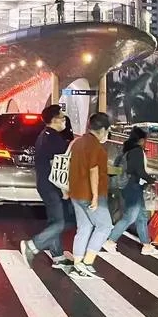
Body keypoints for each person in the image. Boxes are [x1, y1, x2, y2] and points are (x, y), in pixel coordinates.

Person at [21, 105, 74, 270]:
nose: (64, 120)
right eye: (62, 117)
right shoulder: (52, 138)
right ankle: (33, 245)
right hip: (53, 186)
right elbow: (57, 166)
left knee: (55, 221)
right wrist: (65, 189)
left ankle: (57, 256)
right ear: (54, 119)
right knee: (64, 221)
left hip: (46, 184)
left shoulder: (46, 135)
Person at [67, 112, 114, 279]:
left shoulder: (78, 142)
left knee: (85, 228)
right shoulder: (94, 146)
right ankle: (87, 263)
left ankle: (77, 265)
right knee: (105, 226)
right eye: (107, 130)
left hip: (76, 192)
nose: (107, 134)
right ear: (102, 130)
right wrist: (95, 196)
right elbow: (93, 170)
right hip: (90, 194)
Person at [103, 126, 158, 256]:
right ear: (141, 140)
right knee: (130, 216)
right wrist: (151, 180)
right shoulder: (137, 151)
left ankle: (146, 245)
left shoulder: (127, 151)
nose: (145, 143)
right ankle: (110, 241)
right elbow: (138, 171)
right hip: (132, 187)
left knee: (141, 217)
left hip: (130, 187)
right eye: (145, 140)